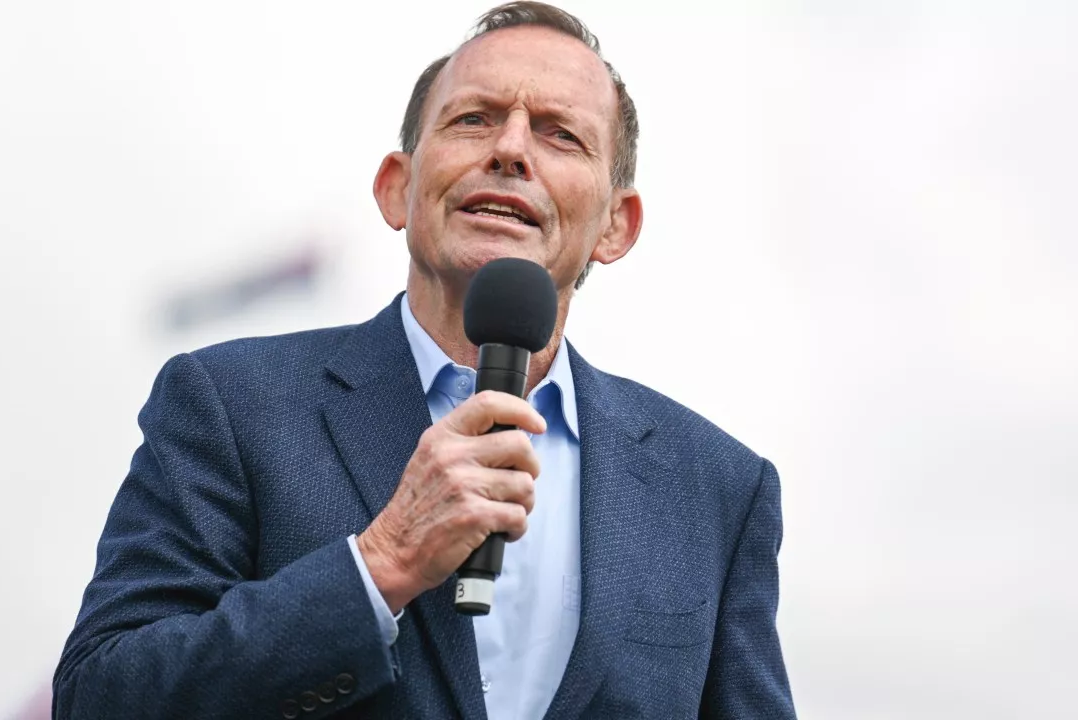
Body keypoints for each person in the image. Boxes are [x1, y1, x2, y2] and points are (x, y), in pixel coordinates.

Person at [52, 3, 796, 718]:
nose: (510, 149)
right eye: (473, 119)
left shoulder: (718, 489)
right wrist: (380, 564)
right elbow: (100, 697)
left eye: (560, 134)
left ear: (617, 225)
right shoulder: (228, 403)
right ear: (397, 188)